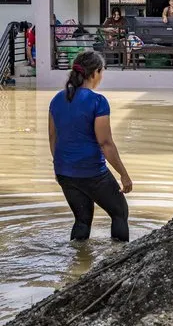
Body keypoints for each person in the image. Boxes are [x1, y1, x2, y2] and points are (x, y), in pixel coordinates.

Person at [48, 52, 133, 242]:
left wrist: (59, 166)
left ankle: (79, 261)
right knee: (119, 212)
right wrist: (124, 174)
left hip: (64, 172)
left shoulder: (56, 99)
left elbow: (53, 137)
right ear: (95, 73)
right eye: (101, 72)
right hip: (92, 172)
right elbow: (105, 143)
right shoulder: (98, 101)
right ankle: (120, 260)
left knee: (82, 220)